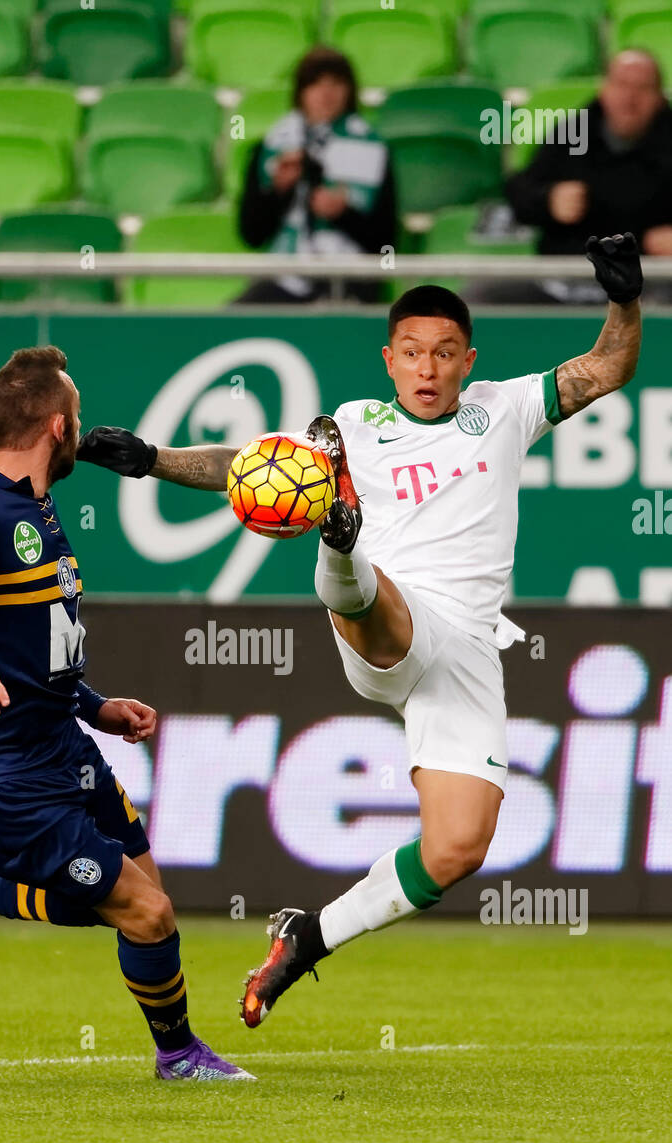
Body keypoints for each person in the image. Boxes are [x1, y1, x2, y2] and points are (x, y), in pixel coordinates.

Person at [75, 235, 643, 1029]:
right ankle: (340, 545)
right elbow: (250, 464)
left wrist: (624, 297)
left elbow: (607, 368)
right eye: (413, 352)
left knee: (457, 849)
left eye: (445, 353)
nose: (428, 368)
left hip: (468, 650)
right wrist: (151, 458)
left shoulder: (507, 410)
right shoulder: (352, 425)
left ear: (468, 360)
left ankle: (308, 937)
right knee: (373, 593)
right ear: (389, 358)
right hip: (383, 620)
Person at [0, 346, 254, 1082]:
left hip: (62, 745)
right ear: (58, 427)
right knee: (144, 914)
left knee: (147, 901)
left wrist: (95, 706)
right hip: (1, 775)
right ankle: (178, 1054)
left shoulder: (36, 508)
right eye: (76, 415)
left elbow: (32, 644)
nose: (82, 427)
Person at [503, 50, 672, 305]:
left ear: (659, 98)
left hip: (647, 284)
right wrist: (548, 200)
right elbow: (519, 192)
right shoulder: (572, 131)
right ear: (604, 88)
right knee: (482, 296)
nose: (630, 98)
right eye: (621, 84)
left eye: (643, 88)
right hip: (564, 279)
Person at [235, 47, 396, 304]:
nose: (326, 94)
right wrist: (279, 192)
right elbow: (251, 234)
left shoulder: (375, 149)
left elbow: (386, 241)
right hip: (283, 276)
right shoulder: (270, 148)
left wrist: (343, 214)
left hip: (351, 277)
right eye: (315, 84)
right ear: (300, 92)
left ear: (349, 90)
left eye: (335, 84)